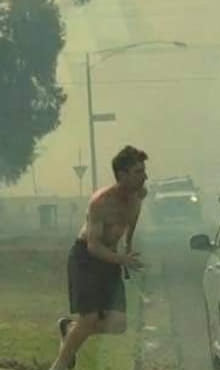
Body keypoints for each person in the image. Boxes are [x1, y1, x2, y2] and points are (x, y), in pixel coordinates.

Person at [49, 145, 148, 370]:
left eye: (144, 171)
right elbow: (93, 246)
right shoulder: (101, 202)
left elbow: (130, 223)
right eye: (138, 172)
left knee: (118, 324)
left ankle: (69, 328)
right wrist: (121, 259)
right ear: (122, 175)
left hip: (111, 259)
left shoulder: (138, 197)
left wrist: (128, 249)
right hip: (86, 258)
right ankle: (60, 365)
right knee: (90, 317)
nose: (144, 177)